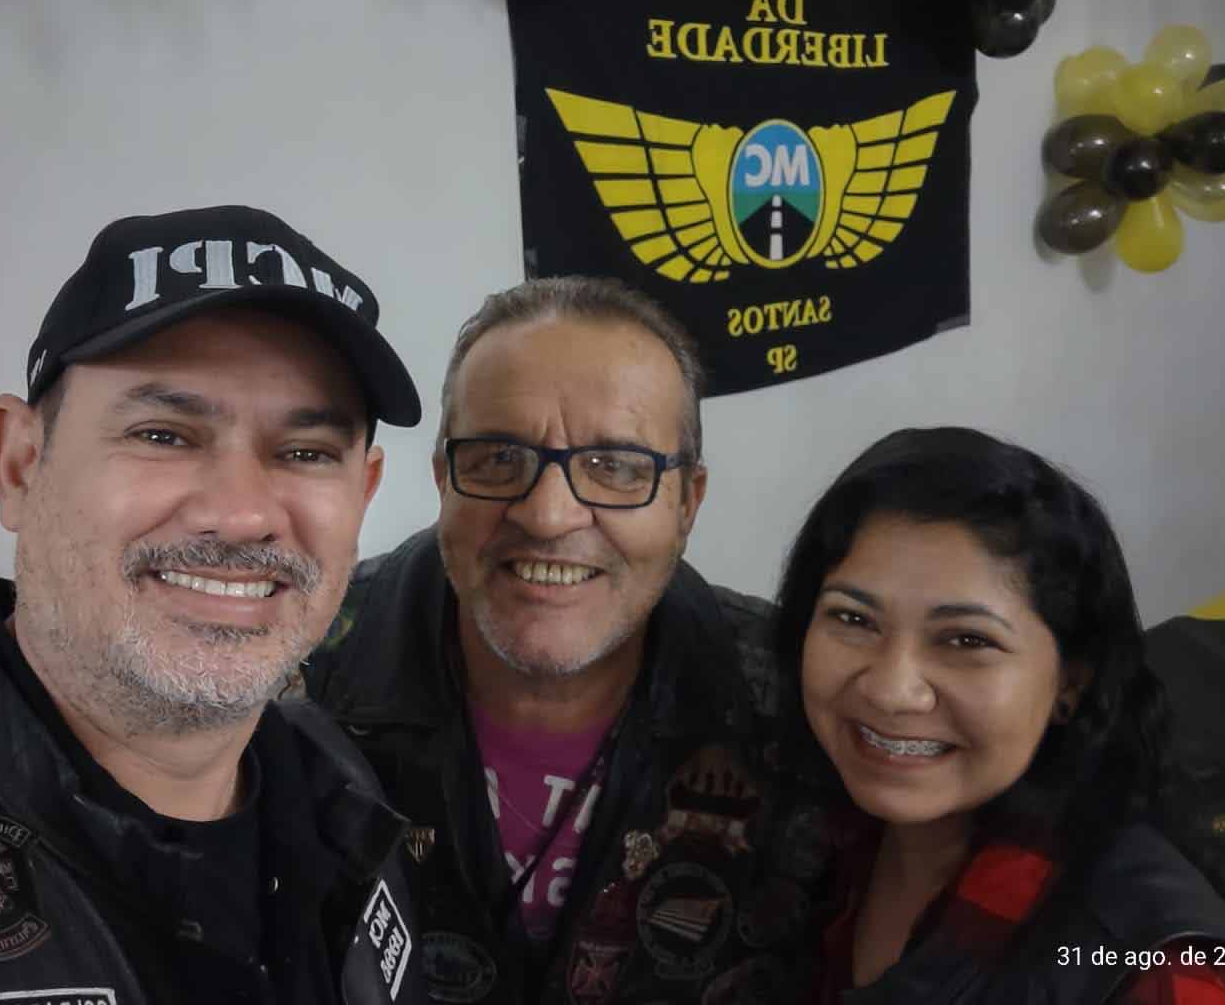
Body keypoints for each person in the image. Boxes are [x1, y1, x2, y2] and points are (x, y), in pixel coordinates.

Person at [0, 206, 431, 1005]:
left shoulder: (346, 790)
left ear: (363, 493)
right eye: (163, 435)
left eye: (305, 452)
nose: (241, 514)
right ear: (19, 465)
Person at [304, 277, 833, 1005]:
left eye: (615, 467)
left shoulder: (802, 700)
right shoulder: (295, 676)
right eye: (498, 458)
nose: (549, 515)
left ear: (688, 501)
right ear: (443, 480)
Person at [775, 427, 1225, 1004]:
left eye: (967, 640)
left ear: (1070, 683)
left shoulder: (1167, 978)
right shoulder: (823, 836)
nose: (892, 691)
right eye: (853, 619)